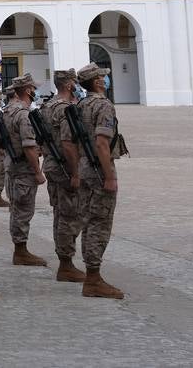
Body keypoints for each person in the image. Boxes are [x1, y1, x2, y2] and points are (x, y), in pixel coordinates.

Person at [66, 64, 125, 299]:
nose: (105, 80)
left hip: (84, 167)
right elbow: (102, 143)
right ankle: (93, 278)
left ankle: (92, 274)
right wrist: (109, 176)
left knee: (88, 221)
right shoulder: (103, 106)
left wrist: (77, 170)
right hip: (99, 170)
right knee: (100, 223)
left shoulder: (79, 106)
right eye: (103, 77)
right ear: (98, 83)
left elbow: (69, 143)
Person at [43, 69, 87, 282]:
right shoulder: (66, 109)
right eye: (75, 82)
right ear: (69, 85)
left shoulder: (48, 105)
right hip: (65, 168)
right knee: (70, 215)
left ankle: (64, 260)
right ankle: (66, 264)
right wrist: (76, 173)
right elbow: (69, 144)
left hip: (52, 165)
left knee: (61, 214)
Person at [2, 75, 48, 267]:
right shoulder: (24, 114)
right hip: (23, 168)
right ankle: (21, 251)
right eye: (33, 88)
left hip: (11, 165)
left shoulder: (7, 111)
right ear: (28, 90)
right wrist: (37, 171)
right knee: (23, 210)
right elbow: (29, 146)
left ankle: (19, 248)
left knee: (16, 208)